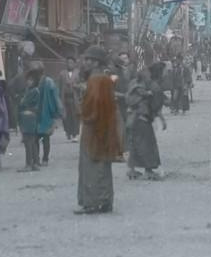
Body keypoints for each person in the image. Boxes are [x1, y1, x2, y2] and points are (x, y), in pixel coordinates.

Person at [76, 47, 121, 214]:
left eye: (89, 60)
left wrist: (81, 110)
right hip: (106, 126)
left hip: (93, 128)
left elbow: (91, 107)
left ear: (96, 63)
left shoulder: (94, 80)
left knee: (90, 165)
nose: (85, 62)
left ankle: (91, 202)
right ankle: (105, 200)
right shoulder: (105, 78)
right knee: (103, 164)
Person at [126, 62, 166, 180]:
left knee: (135, 143)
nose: (166, 73)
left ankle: (131, 170)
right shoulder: (154, 86)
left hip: (133, 117)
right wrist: (162, 119)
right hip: (143, 117)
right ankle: (149, 170)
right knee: (148, 144)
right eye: (164, 71)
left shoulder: (141, 83)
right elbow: (155, 106)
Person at [33, 63, 63, 166]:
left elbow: (55, 98)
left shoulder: (48, 82)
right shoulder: (36, 82)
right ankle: (39, 159)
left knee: (43, 137)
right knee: (38, 137)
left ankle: (44, 158)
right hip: (38, 113)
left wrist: (57, 112)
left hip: (45, 113)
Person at [18, 69, 43, 171]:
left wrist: (21, 100)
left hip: (29, 117)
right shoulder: (34, 90)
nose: (28, 82)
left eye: (31, 80)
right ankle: (35, 163)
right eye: (28, 80)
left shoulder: (32, 91)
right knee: (32, 141)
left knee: (28, 142)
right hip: (31, 117)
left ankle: (29, 164)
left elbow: (23, 103)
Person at [60, 63, 83, 141]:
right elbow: (59, 86)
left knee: (75, 116)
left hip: (75, 98)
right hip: (65, 98)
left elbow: (82, 84)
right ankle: (68, 132)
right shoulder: (62, 73)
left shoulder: (78, 73)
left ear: (74, 63)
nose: (70, 64)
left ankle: (75, 134)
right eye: (68, 62)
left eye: (71, 62)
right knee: (66, 116)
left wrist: (75, 85)